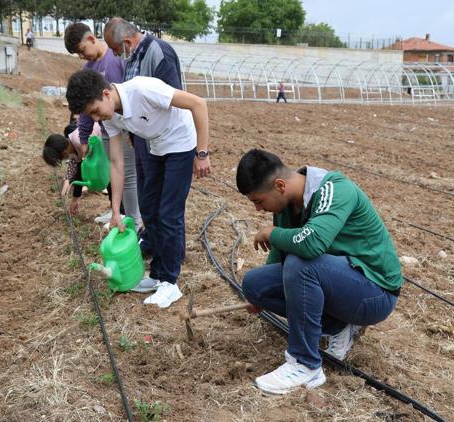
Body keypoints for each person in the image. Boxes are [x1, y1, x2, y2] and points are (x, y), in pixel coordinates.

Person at [236, 149, 403, 395]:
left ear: (280, 185)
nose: (259, 209)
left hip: (375, 293)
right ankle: (337, 325)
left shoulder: (334, 189)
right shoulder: (284, 207)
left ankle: (305, 363)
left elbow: (312, 243)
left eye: (258, 201)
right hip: (341, 282)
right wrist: (260, 295)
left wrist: (272, 234)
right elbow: (280, 254)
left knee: (301, 263)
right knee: (254, 283)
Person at [66, 69, 211, 308]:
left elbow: (198, 104)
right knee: (149, 210)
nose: (96, 118)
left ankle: (170, 282)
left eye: (94, 111)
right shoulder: (109, 116)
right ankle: (156, 275)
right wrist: (115, 211)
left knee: (169, 214)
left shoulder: (144, 89)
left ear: (106, 94)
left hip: (181, 143)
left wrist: (202, 152)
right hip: (155, 145)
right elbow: (116, 163)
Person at [104, 17, 183, 259]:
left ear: (127, 41)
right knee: (148, 201)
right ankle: (153, 243)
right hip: (142, 142)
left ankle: (173, 254)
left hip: (162, 142)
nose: (117, 55)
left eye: (117, 49)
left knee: (166, 206)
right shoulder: (132, 58)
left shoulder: (159, 52)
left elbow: (175, 99)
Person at [63, 22, 142, 230]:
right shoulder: (88, 70)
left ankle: (134, 219)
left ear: (91, 39)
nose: (82, 56)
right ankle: (118, 211)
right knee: (113, 172)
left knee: (129, 175)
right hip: (109, 130)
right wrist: (84, 139)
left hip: (126, 127)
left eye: (82, 51)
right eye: (78, 55)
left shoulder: (115, 59)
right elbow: (86, 114)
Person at [41, 124, 95, 214]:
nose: (62, 160)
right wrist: (75, 197)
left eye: (60, 158)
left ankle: (120, 212)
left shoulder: (79, 143)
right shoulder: (73, 146)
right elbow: (79, 171)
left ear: (63, 152)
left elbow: (82, 169)